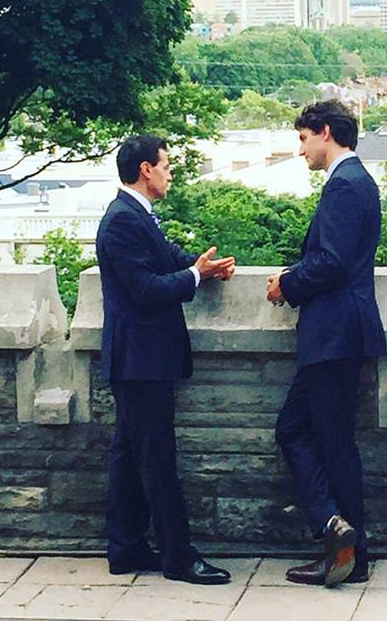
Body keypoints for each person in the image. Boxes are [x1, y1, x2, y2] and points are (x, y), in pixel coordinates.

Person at [96, 134, 236, 585]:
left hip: (140, 359)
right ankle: (178, 556)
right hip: (141, 360)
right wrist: (194, 275)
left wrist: (201, 267)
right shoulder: (121, 220)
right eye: (166, 164)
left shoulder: (137, 216)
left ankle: (127, 547)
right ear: (145, 170)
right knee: (157, 459)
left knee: (128, 455)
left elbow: (163, 259)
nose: (171, 172)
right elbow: (146, 288)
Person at [267, 100, 386, 587]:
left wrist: (287, 284)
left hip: (335, 332)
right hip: (340, 332)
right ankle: (344, 537)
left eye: (303, 138)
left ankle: (344, 544)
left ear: (326, 132)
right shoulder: (355, 181)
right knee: (310, 434)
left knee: (323, 440)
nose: (301, 151)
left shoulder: (344, 184)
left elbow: (332, 261)